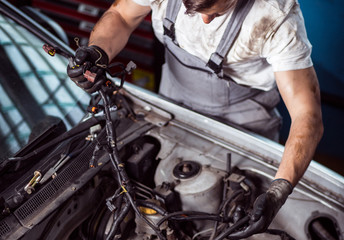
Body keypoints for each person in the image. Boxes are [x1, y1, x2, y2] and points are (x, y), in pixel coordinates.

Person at [67, 0, 323, 238]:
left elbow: (307, 115)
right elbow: (122, 15)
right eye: (192, 9)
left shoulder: (275, 16)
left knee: (247, 208)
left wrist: (278, 191)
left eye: (215, 11)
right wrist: (98, 52)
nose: (205, 21)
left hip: (244, 122)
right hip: (172, 102)